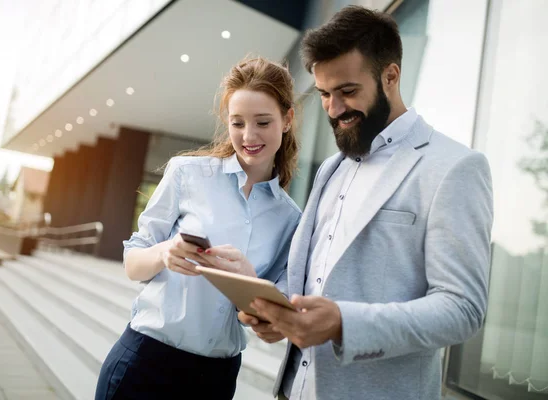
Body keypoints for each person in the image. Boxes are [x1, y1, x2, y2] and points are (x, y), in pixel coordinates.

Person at [238, 6, 494, 400]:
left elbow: (462, 309)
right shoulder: (330, 169)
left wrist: (343, 323)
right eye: (324, 94)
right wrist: (276, 311)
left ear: (391, 76)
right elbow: (315, 272)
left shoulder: (454, 167)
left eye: (348, 92)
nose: (334, 108)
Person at [94, 57, 302, 400]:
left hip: (214, 380)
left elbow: (274, 325)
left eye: (262, 122)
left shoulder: (291, 219)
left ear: (287, 120)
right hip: (145, 363)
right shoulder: (186, 174)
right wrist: (165, 252)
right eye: (237, 123)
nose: (248, 136)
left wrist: (253, 286)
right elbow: (133, 264)